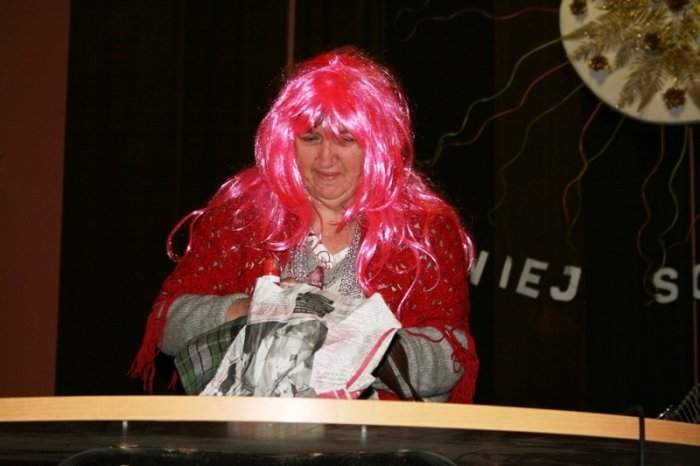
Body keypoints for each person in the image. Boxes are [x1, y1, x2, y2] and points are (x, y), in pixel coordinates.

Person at [131, 47, 478, 402]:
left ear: (377, 145)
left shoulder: (424, 229)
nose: (326, 158)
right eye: (311, 138)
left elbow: (453, 356)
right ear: (286, 140)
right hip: (251, 431)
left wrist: (365, 341)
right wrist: (252, 309)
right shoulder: (240, 218)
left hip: (377, 433)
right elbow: (166, 322)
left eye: (346, 138)